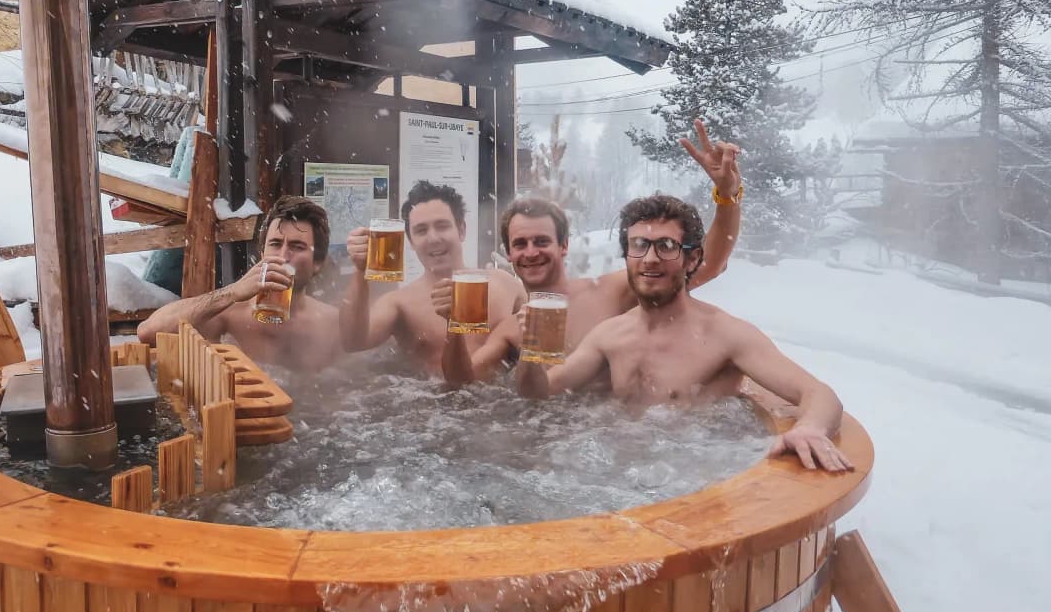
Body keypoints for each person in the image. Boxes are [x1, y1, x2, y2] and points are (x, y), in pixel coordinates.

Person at [516, 194, 853, 472]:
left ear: (691, 259)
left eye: (665, 246)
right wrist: (530, 353)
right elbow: (540, 394)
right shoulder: (610, 335)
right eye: (639, 245)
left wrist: (810, 429)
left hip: (692, 475)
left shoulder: (724, 334)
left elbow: (820, 394)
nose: (650, 259)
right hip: (612, 471)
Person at [441, 121, 743, 384]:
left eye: (542, 241)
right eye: (520, 244)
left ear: (564, 245)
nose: (531, 252)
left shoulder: (610, 293)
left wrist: (726, 197)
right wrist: (454, 325)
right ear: (508, 254)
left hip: (625, 435)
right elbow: (464, 382)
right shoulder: (512, 329)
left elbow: (709, 265)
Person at [136, 196, 341, 372]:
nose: (283, 256)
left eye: (297, 246)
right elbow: (149, 332)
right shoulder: (231, 315)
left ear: (318, 263)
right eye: (275, 244)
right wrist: (232, 292)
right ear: (262, 254)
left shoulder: (332, 323)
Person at [339, 180, 526, 370]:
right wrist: (360, 271)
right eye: (421, 231)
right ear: (411, 242)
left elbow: (543, 339)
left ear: (461, 230)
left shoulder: (505, 284)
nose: (433, 239)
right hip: (434, 397)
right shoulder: (400, 303)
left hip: (500, 397)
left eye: (442, 226)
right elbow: (353, 342)